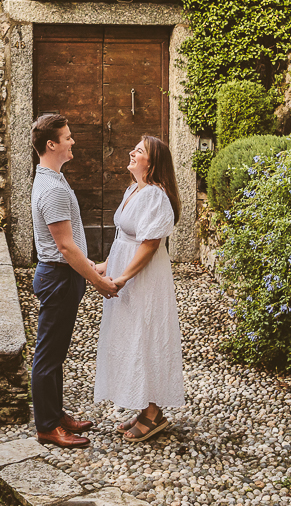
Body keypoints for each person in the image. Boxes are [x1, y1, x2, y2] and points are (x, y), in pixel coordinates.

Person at [30, 113, 120, 448]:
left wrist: (92, 267)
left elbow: (70, 246)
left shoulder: (52, 179)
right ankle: (47, 427)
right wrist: (99, 282)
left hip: (62, 276)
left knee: (55, 353)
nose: (72, 141)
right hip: (58, 278)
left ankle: (54, 415)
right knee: (48, 355)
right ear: (51, 144)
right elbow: (65, 247)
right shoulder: (52, 188)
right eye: (67, 137)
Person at [93, 134, 184, 442]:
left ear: (152, 162)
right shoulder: (134, 189)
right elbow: (124, 238)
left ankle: (154, 413)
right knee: (130, 336)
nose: (131, 152)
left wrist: (122, 277)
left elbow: (149, 244)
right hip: (128, 271)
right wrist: (108, 265)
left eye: (140, 151)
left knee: (146, 336)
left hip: (144, 278)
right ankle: (145, 406)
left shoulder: (156, 196)